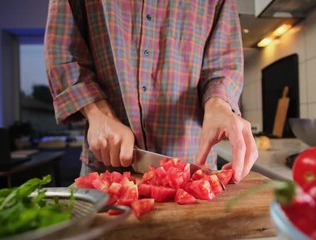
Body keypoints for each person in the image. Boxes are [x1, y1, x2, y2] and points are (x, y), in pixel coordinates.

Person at [44, 0, 258, 182]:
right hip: (107, 169)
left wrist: (219, 105)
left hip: (191, 170)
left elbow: (223, 64)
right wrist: (99, 114)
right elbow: (63, 51)